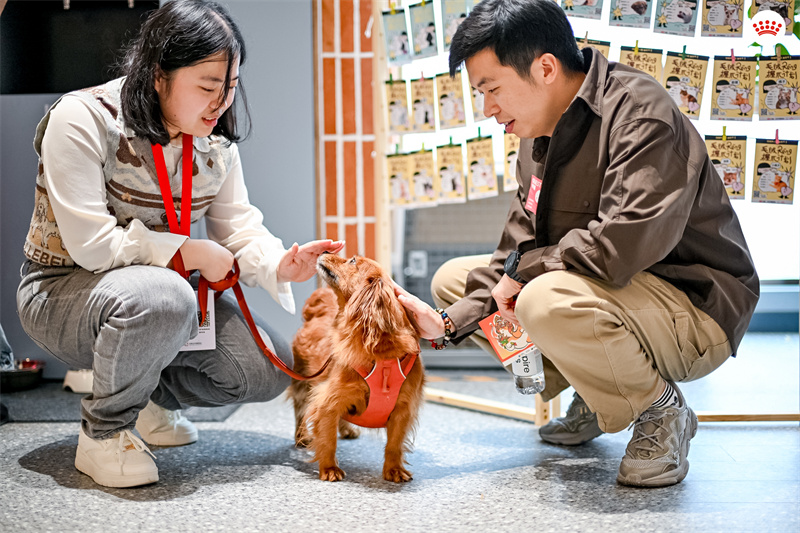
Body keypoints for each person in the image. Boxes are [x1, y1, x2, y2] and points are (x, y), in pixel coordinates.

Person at [396, 0, 759, 487]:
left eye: (492, 89)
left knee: (544, 296)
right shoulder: (535, 135)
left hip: (694, 308)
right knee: (454, 283)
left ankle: (661, 412)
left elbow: (619, 247)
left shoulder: (641, 114)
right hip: (615, 299)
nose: (488, 109)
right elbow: (517, 250)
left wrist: (522, 272)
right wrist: (443, 324)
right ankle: (598, 386)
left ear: (545, 67)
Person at [16, 0, 343, 489]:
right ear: (157, 75)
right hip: (62, 292)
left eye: (230, 88)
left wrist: (282, 262)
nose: (222, 103)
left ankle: (143, 397)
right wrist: (186, 252)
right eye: (209, 87)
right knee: (166, 296)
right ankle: (104, 432)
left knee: (265, 372)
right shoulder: (82, 118)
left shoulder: (212, 142)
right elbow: (90, 245)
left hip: (162, 299)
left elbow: (238, 227)